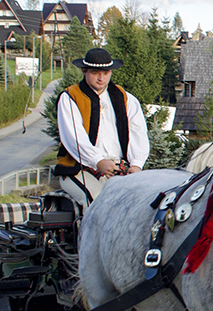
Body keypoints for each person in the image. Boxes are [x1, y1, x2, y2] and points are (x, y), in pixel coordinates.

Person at [53, 46, 150, 211]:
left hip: (117, 168)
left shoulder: (125, 98)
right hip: (78, 169)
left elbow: (138, 132)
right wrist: (97, 161)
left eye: (106, 73)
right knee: (98, 202)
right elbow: (74, 138)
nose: (101, 78)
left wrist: (136, 164)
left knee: (140, 204)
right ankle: (88, 237)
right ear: (84, 71)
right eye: (95, 73)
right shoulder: (70, 97)